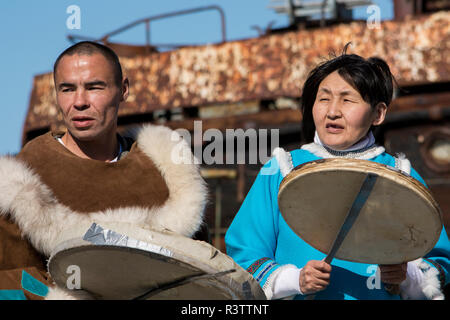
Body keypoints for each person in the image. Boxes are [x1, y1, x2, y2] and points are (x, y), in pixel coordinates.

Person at [225, 50, 450, 300]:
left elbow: (438, 262)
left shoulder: (401, 175)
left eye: (347, 100)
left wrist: (407, 274)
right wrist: (294, 280)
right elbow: (244, 257)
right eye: (323, 99)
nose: (332, 112)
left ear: (378, 114)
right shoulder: (280, 169)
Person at [0, 41, 207, 299]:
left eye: (94, 87)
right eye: (67, 89)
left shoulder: (165, 176)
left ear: (123, 90)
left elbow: (204, 279)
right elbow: (10, 282)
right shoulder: (22, 182)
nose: (79, 102)